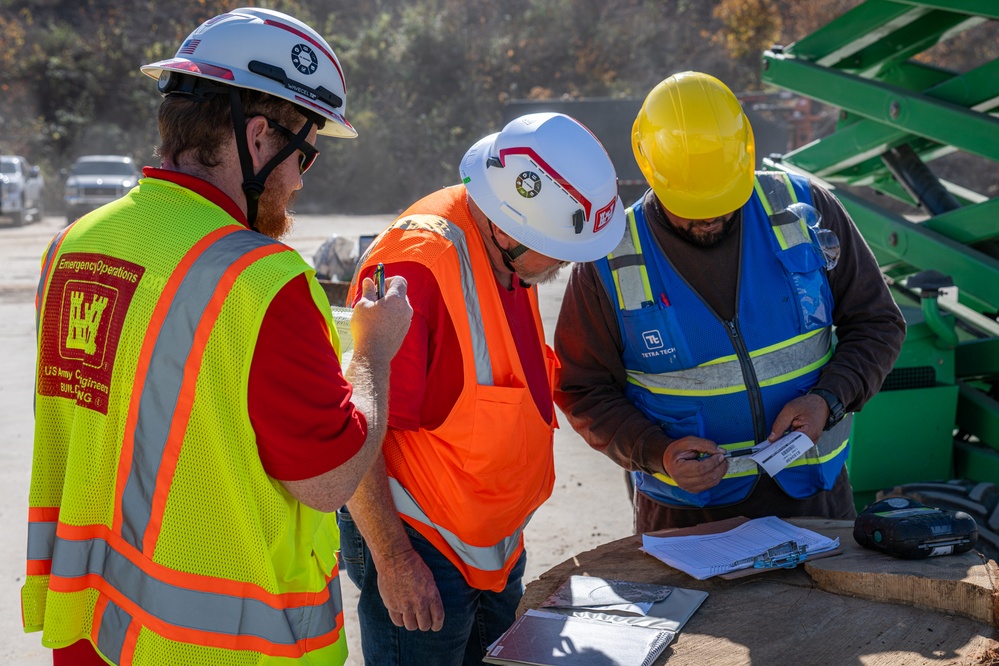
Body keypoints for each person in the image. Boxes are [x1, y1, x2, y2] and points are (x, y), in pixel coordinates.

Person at [22, 8, 412, 666]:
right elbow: (327, 483)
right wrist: (372, 350)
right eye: (303, 154)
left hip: (96, 629)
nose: (297, 180)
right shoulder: (259, 281)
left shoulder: (74, 245)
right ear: (257, 137)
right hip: (220, 649)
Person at [554, 71, 906, 534]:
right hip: (685, 519)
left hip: (815, 502)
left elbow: (878, 323)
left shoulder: (802, 209)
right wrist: (657, 451)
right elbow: (582, 388)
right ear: (650, 171)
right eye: (690, 204)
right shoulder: (610, 258)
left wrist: (828, 399)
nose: (709, 215)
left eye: (722, 198)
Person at [338, 112, 626, 665]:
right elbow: (355, 428)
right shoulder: (417, 265)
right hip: (422, 548)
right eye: (559, 249)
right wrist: (396, 561)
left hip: (489, 544)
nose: (565, 264)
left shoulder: (508, 255)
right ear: (509, 228)